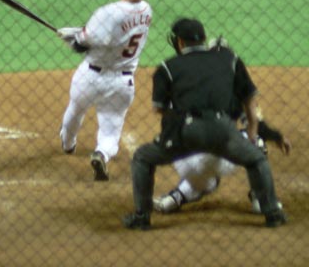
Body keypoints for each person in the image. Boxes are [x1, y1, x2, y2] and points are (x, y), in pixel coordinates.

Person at [123, 18, 288, 230]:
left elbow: (160, 109)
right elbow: (249, 98)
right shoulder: (229, 59)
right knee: (256, 158)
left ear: (180, 42)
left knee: (142, 157)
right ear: (203, 38)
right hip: (223, 130)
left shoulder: (168, 67)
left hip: (187, 133)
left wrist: (175, 128)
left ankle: (142, 217)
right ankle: (272, 213)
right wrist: (253, 132)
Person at [58, 0, 153, 181]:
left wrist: (73, 37)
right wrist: (78, 34)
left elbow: (83, 42)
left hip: (90, 77)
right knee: (111, 127)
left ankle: (68, 144)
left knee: (76, 109)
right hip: (122, 82)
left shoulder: (108, 12)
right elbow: (112, 36)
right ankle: (102, 153)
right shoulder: (147, 10)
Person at [153, 98, 291, 214]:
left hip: (182, 159)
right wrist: (277, 137)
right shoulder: (231, 87)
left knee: (209, 180)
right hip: (215, 154)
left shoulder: (182, 83)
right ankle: (261, 200)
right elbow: (257, 127)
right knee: (257, 141)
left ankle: (174, 198)